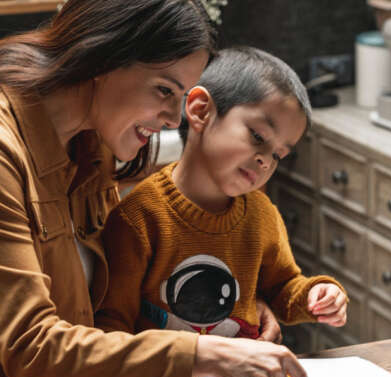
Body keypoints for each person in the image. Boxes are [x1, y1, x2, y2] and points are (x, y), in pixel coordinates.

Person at [0, 1, 315, 377]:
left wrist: (231, 314)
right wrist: (208, 352)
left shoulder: (91, 142)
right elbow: (33, 348)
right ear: (102, 56)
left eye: (180, 97)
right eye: (164, 89)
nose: (171, 118)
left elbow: (113, 294)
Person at [95, 47, 348, 346]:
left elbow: (283, 288)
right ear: (201, 110)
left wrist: (316, 295)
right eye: (258, 137)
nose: (266, 161)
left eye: (279, 155)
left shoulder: (262, 215)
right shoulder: (138, 219)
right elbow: (112, 325)